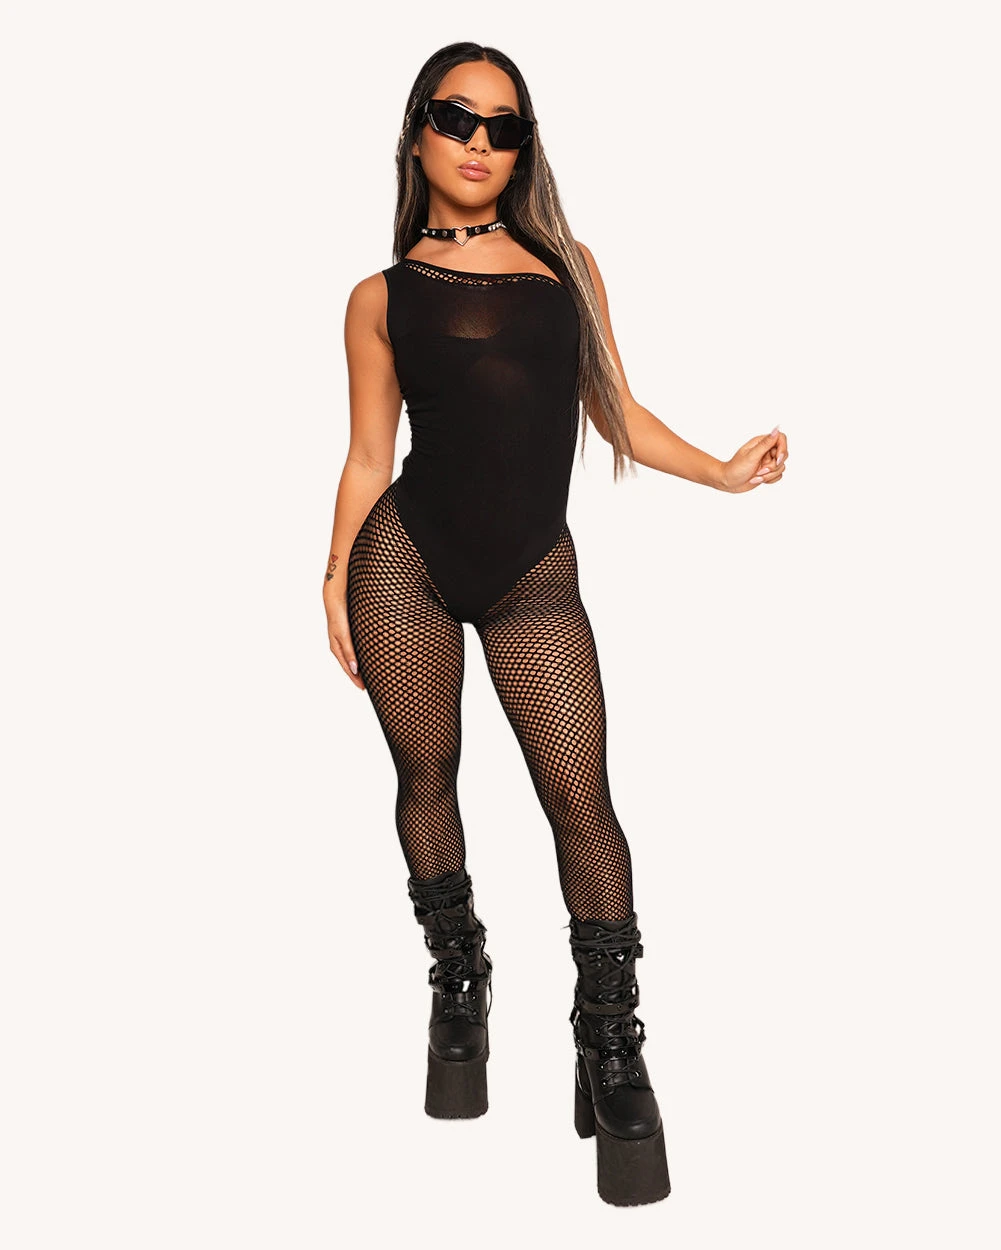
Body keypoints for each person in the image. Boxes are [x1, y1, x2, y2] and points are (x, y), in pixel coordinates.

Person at [323, 42, 788, 1207]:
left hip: (531, 573)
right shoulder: (377, 297)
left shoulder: (567, 268)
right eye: (455, 118)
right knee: (425, 773)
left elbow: (614, 409)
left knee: (583, 801)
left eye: (504, 125)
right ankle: (458, 981)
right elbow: (368, 454)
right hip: (403, 563)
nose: (479, 142)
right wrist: (334, 573)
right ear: (415, 134)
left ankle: (609, 1043)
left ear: (523, 146)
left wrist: (721, 471)